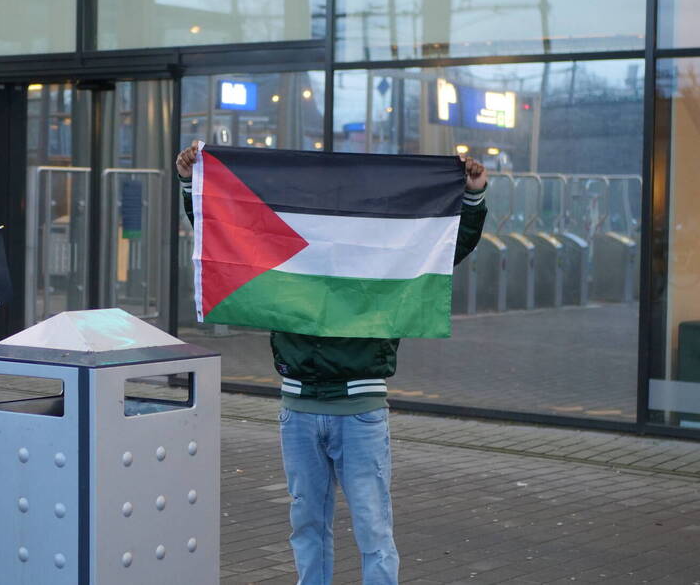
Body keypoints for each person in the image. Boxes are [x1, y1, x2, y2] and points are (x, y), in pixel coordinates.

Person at [176, 141, 488, 585]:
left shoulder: (382, 246)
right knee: (311, 525)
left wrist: (472, 197)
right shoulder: (285, 240)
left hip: (357, 411)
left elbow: (440, 245)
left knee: (370, 527)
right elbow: (223, 225)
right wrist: (194, 183)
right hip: (301, 410)